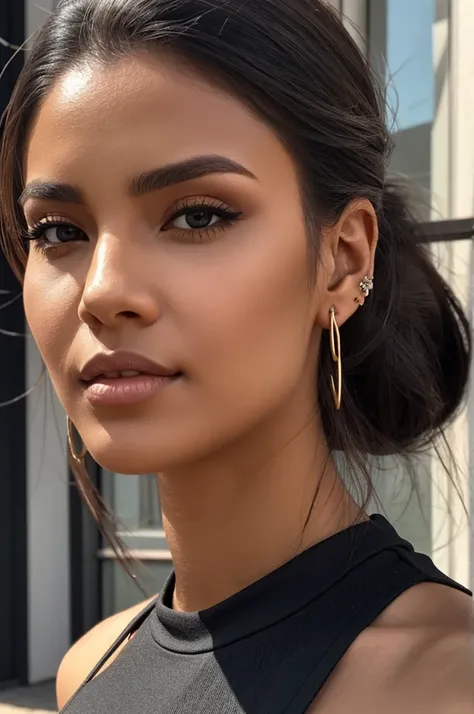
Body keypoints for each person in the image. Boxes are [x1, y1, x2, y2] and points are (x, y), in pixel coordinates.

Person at [1, 0, 473, 711]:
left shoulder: (447, 681)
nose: (102, 293)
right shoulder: (89, 669)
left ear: (343, 261)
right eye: (59, 230)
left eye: (197, 216)